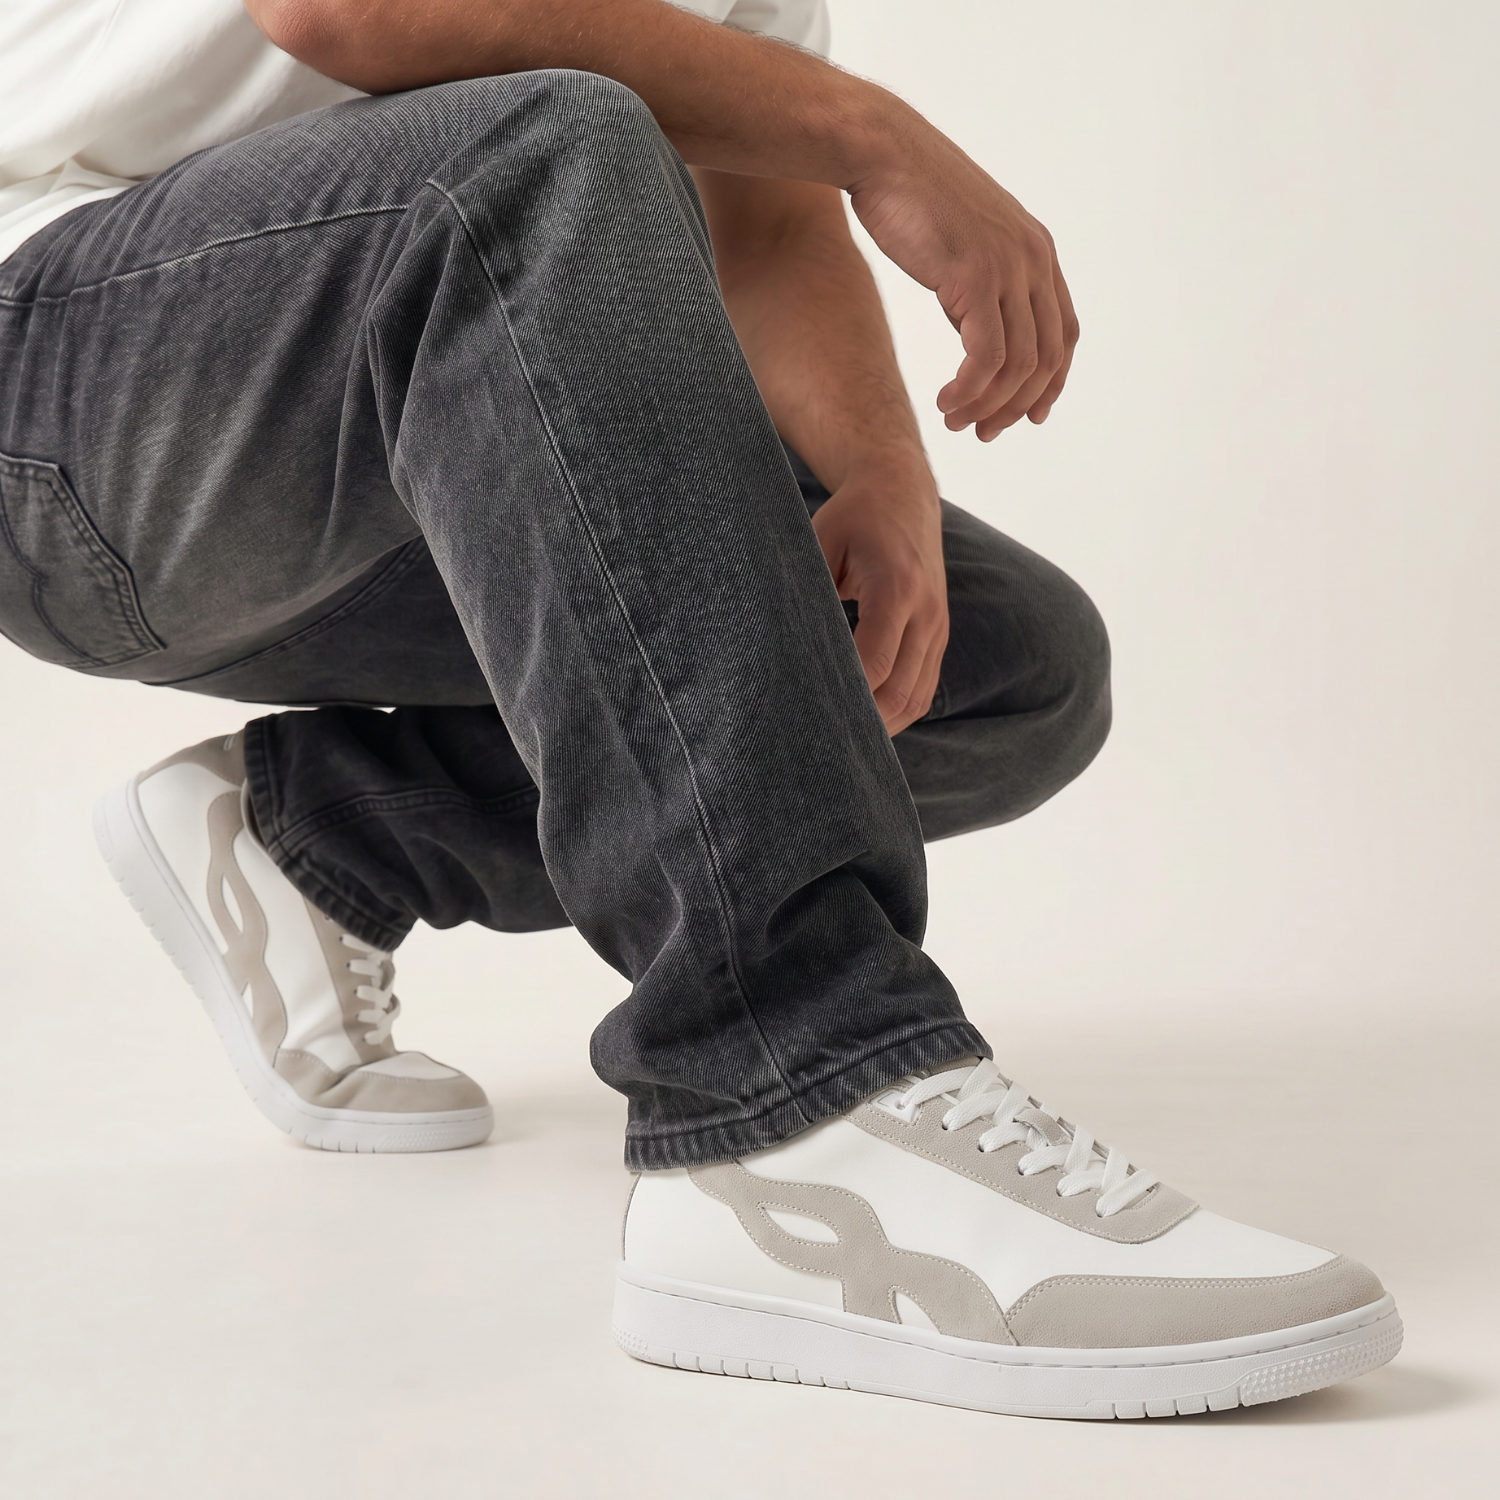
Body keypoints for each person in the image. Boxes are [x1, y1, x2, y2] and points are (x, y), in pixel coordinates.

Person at [0, 0, 1397, 1418]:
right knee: (544, 145)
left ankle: (327, 836)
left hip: (372, 475)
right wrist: (877, 136)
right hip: (59, 406)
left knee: (1000, 660)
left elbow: (770, 222)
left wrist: (886, 482)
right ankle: (786, 1101)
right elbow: (356, 11)